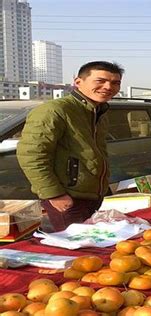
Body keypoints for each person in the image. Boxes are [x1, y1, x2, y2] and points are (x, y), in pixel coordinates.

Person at [17, 61, 124, 232]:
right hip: (67, 197)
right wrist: (54, 194)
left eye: (115, 83)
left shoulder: (99, 112)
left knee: (95, 246)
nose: (108, 86)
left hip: (92, 195)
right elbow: (32, 155)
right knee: (79, 251)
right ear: (78, 82)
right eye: (100, 81)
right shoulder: (55, 110)